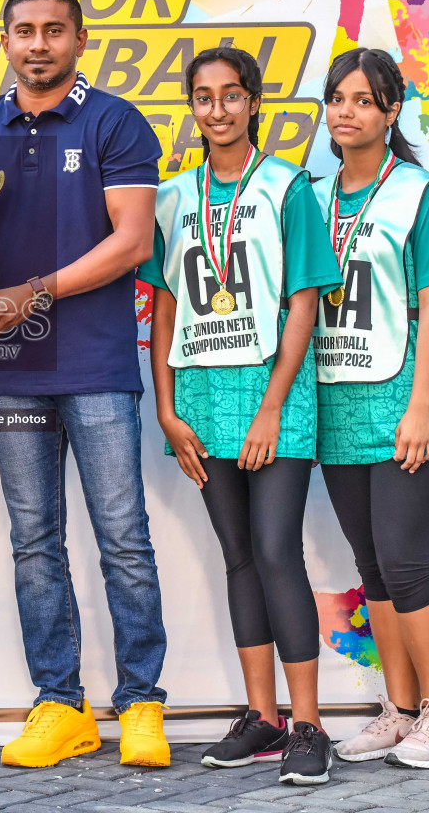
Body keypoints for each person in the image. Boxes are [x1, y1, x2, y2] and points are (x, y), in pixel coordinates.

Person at [0, 0, 169, 770]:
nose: (39, 44)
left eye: (54, 31)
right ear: (4, 41)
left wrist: (36, 289)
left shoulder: (114, 120)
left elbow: (133, 242)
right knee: (35, 542)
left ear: (79, 39)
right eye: (24, 32)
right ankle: (60, 706)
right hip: (12, 367)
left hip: (98, 365)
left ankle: (140, 704)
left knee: (124, 542)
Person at [143, 46, 340, 786]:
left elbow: (302, 302)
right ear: (191, 105)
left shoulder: (290, 188)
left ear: (254, 102)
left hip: (272, 398)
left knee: (275, 549)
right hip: (200, 398)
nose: (218, 109)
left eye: (232, 95)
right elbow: (163, 303)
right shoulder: (172, 197)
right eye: (204, 96)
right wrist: (166, 407)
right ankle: (262, 717)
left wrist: (272, 407)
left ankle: (309, 726)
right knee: (236, 556)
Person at [312, 49, 429, 769]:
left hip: (408, 404)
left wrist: (423, 405)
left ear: (390, 111)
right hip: (338, 403)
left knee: (407, 564)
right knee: (372, 567)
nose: (348, 112)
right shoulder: (313, 195)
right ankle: (400, 710)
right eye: (338, 99)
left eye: (364, 100)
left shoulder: (419, 191)